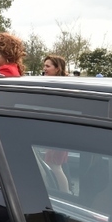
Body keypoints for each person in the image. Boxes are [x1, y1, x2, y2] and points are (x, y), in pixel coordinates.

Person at [41, 55, 70, 193]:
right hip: (57, 133)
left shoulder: (59, 86)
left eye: (48, 66)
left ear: (57, 68)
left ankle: (65, 194)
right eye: (44, 66)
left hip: (58, 133)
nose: (44, 69)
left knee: (55, 166)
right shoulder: (59, 83)